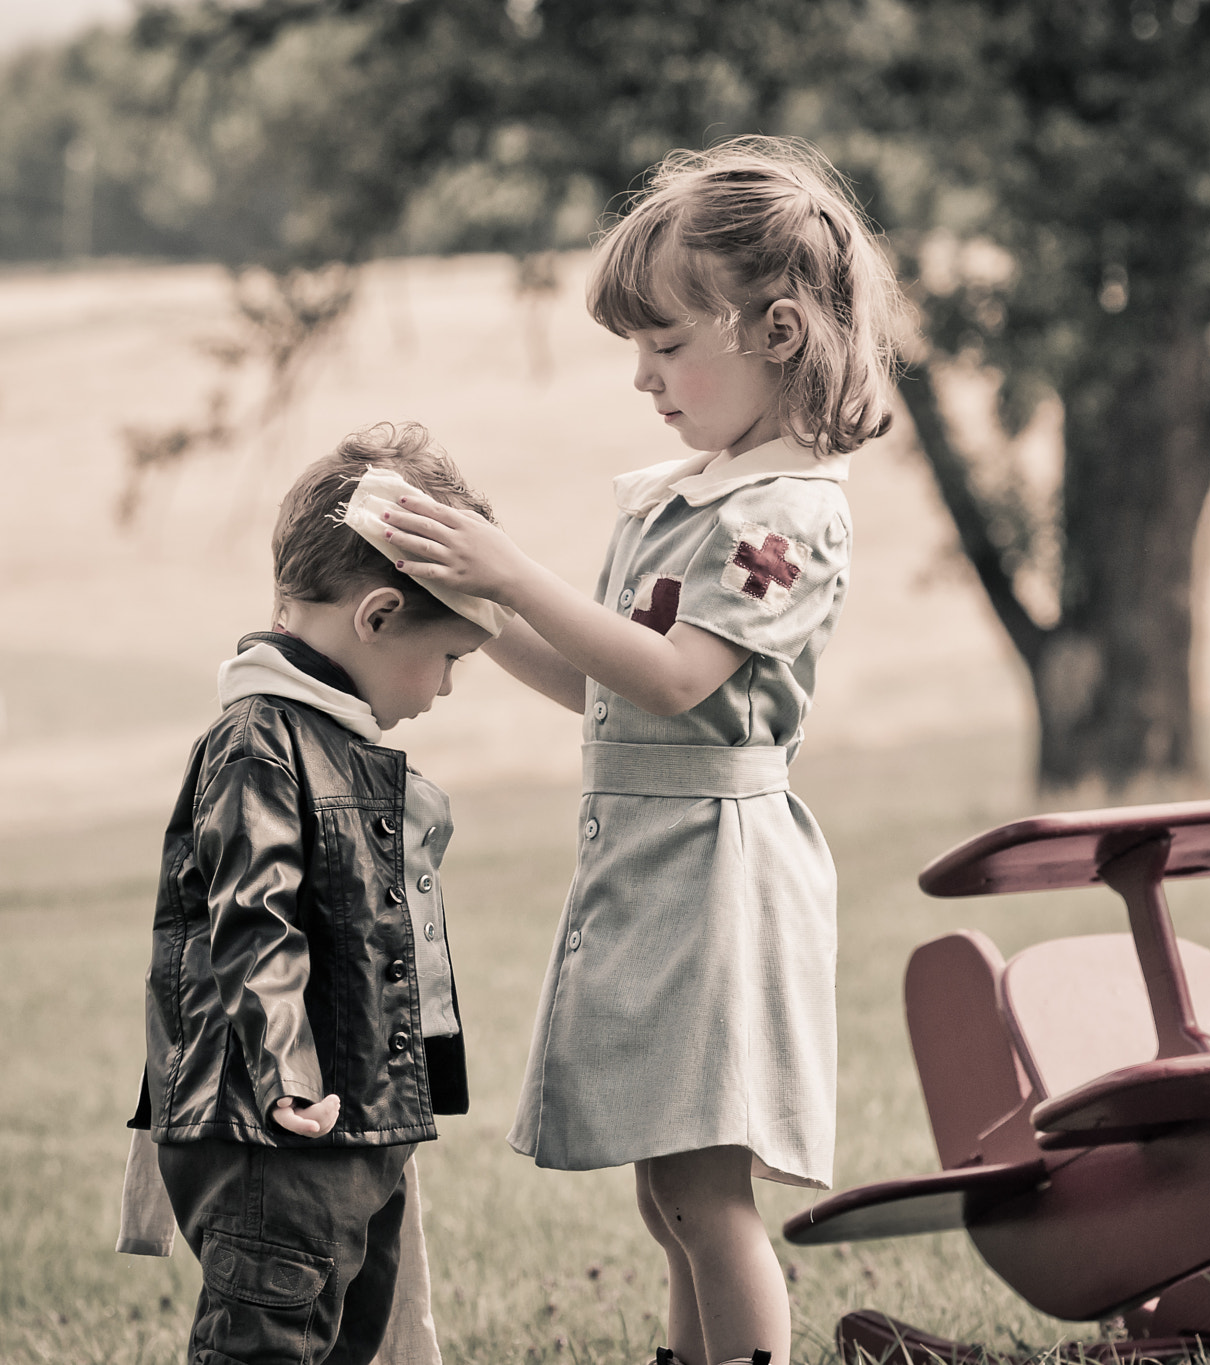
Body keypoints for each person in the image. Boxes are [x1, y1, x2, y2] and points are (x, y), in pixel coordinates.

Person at [378, 137, 906, 1365]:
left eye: (668, 344)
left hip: (719, 879)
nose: (643, 377)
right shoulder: (684, 496)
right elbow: (601, 683)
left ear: (776, 331)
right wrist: (478, 604)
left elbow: (673, 675)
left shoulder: (784, 512)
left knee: (708, 1198)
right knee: (665, 1197)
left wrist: (514, 569)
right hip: (656, 863)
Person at [116, 422, 512, 1365]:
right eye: (449, 656)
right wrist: (288, 1072)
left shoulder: (337, 742)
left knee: (348, 1335)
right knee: (268, 1337)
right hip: (276, 1131)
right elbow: (254, 920)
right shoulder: (261, 740)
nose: (449, 687)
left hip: (347, 1127)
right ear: (376, 617)